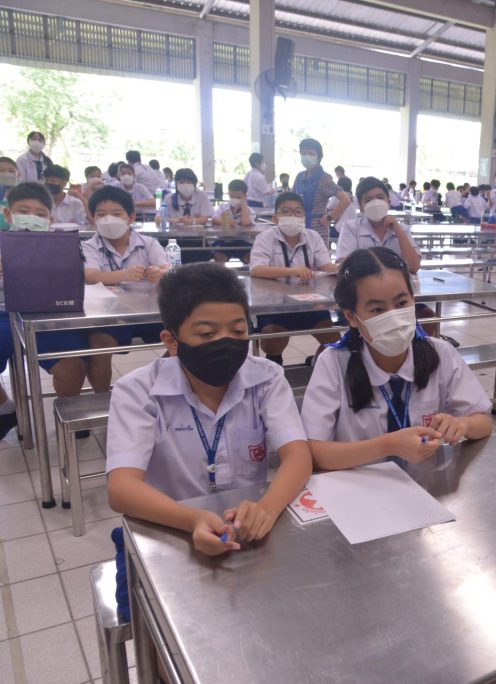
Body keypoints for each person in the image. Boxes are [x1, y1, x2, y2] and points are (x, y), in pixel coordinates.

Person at [106, 262, 313, 565]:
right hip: (167, 527)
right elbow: (121, 488)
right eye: (207, 334)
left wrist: (267, 507)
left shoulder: (266, 378)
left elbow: (298, 456)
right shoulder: (138, 392)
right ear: (171, 342)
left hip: (246, 528)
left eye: (238, 331)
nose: (225, 342)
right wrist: (191, 519)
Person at [301, 247, 492, 469]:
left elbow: (483, 422)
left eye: (401, 304)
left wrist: (463, 424)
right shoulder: (334, 363)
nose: (393, 317)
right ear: (351, 317)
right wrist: (388, 446)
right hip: (360, 484)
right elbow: (314, 452)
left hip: (424, 483)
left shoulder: (440, 353)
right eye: (377, 310)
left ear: (413, 300)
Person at [1, 183, 100, 413]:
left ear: (50, 219)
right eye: (23, 211)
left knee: (73, 364)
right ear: (8, 214)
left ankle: (68, 414)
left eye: (40, 214)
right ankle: (6, 409)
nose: (31, 218)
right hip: (4, 314)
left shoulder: (60, 246)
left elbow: (74, 283)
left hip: (49, 315)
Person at [83, 186, 169, 392]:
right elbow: (90, 276)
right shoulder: (89, 246)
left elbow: (167, 268)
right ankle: (102, 397)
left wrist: (159, 273)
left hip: (149, 311)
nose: (108, 219)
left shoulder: (148, 243)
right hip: (109, 315)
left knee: (184, 334)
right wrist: (124, 275)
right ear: (93, 218)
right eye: (101, 214)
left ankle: (156, 384)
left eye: (116, 214)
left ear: (130, 217)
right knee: (98, 343)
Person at [249, 192, 339, 365]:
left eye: (298, 212)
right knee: (272, 341)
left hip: (310, 301)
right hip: (274, 304)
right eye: (286, 211)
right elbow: (257, 269)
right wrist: (291, 271)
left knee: (333, 339)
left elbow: (326, 267)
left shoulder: (312, 237)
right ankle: (274, 364)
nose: (293, 216)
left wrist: (340, 269)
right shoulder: (265, 238)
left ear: (304, 217)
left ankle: (317, 362)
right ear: (275, 218)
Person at [336, 177, 422, 270]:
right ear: (360, 207)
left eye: (380, 197)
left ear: (389, 202)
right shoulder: (351, 228)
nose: (376, 203)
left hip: (396, 279)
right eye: (368, 200)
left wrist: (398, 231)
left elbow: (414, 266)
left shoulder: (402, 229)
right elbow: (344, 267)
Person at [293, 138, 349, 248]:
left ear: (319, 157)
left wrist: (329, 218)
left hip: (317, 229)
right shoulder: (299, 177)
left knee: (318, 257)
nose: (306, 156)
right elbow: (291, 198)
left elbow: (345, 199)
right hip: (298, 227)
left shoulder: (324, 178)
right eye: (303, 153)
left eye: (311, 153)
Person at [211, 179, 255, 263]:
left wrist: (243, 205)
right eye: (232, 197)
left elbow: (246, 222)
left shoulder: (249, 210)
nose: (234, 199)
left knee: (251, 256)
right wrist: (228, 222)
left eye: (238, 198)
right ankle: (220, 271)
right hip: (223, 240)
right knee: (219, 257)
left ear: (245, 196)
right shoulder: (222, 207)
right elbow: (215, 219)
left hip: (242, 241)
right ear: (228, 194)